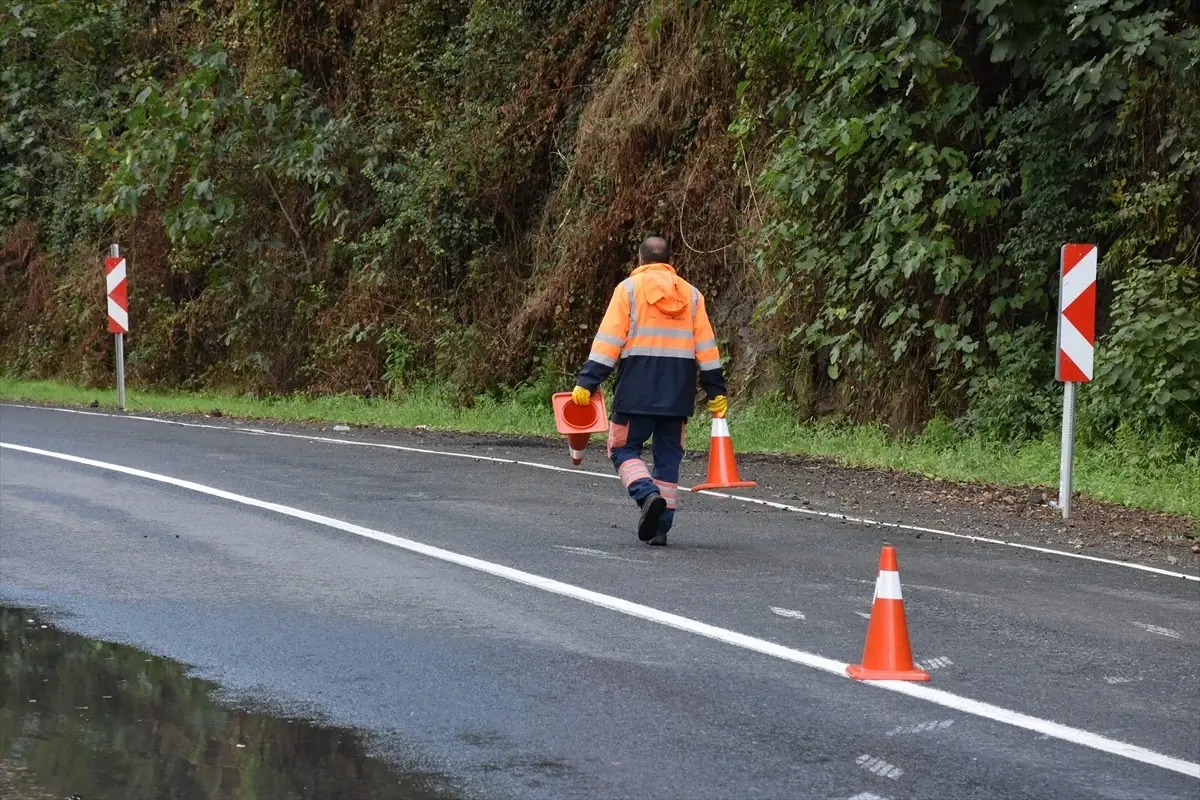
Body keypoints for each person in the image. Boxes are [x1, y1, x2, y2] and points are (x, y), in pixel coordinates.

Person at [571, 236, 728, 546]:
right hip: (677, 397)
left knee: (621, 449)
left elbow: (608, 343)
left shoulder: (628, 290)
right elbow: (707, 349)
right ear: (670, 261)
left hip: (635, 393)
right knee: (668, 458)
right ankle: (660, 527)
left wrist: (587, 383)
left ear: (640, 259)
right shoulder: (693, 296)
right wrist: (715, 390)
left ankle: (646, 495)